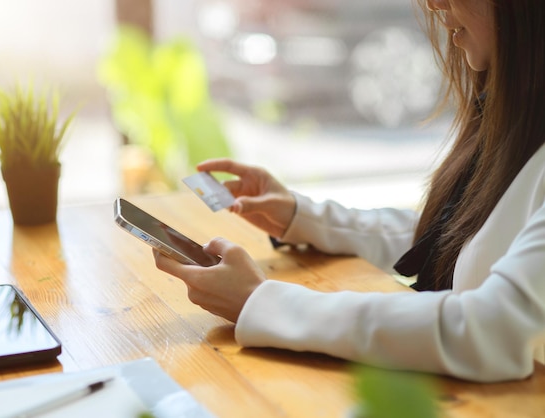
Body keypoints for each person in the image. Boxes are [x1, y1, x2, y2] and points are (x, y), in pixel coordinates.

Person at [154, 0, 545, 382]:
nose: (435, 3)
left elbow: (492, 330)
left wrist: (263, 302)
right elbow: (455, 239)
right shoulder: (520, 118)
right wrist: (301, 216)